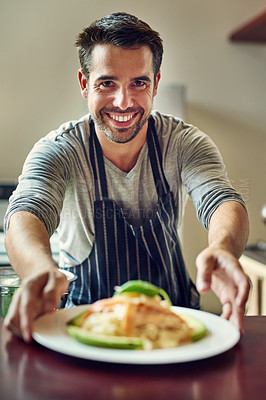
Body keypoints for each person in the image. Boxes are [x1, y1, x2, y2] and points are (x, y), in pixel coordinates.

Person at [4, 12, 250, 342]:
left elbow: (221, 200)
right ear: (84, 83)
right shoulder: (59, 150)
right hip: (81, 327)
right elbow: (27, 212)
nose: (124, 102)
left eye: (139, 83)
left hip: (171, 324)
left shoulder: (183, 142)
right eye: (107, 83)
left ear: (156, 84)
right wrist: (38, 270)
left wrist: (222, 248)